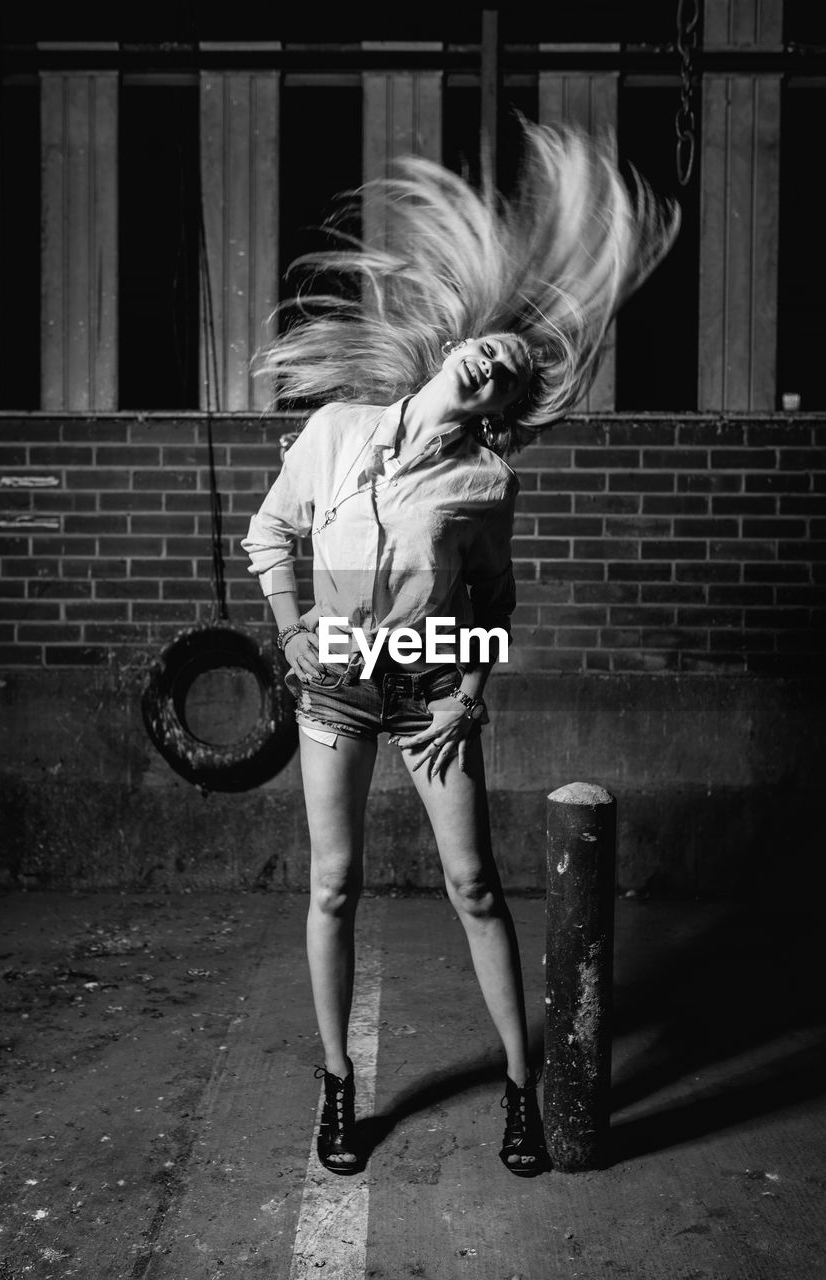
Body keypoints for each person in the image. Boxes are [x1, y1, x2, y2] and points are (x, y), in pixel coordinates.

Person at [242, 122, 679, 1177]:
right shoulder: (342, 430)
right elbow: (269, 531)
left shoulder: (484, 482)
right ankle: (339, 1087)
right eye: (491, 347)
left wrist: (467, 691)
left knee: (475, 883)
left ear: (500, 407)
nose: (499, 359)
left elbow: (494, 597)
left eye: (512, 372)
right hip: (336, 682)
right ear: (453, 347)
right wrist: (297, 631)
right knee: (333, 886)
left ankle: (522, 1095)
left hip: (431, 685)